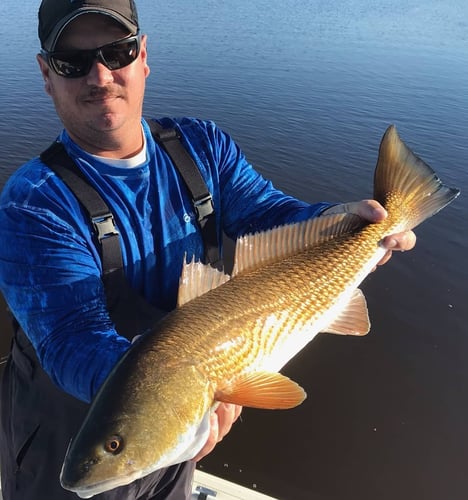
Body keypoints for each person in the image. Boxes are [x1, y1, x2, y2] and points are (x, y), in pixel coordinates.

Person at [0, 0, 416, 499]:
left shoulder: (200, 145)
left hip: (173, 437)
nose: (101, 75)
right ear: (46, 74)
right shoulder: (33, 204)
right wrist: (183, 394)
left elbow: (267, 214)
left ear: (143, 56)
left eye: (117, 51)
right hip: (75, 433)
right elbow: (72, 338)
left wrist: (348, 221)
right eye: (73, 61)